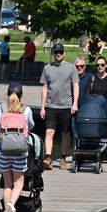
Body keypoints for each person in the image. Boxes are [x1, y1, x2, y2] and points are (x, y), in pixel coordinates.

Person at [0, 82, 34, 212]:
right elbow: (31, 125)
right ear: (21, 95)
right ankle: (11, 204)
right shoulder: (26, 109)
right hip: (20, 151)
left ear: (7, 94)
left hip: (3, 151)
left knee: (7, 184)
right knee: (19, 183)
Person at [40, 43, 79, 171]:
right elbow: (44, 88)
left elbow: (75, 86)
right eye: (56, 52)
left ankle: (63, 158)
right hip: (51, 105)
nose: (58, 54)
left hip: (66, 106)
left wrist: (74, 104)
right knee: (49, 131)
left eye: (60, 52)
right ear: (53, 53)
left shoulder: (71, 68)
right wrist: (42, 107)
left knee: (65, 133)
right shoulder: (47, 68)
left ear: (64, 53)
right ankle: (48, 158)